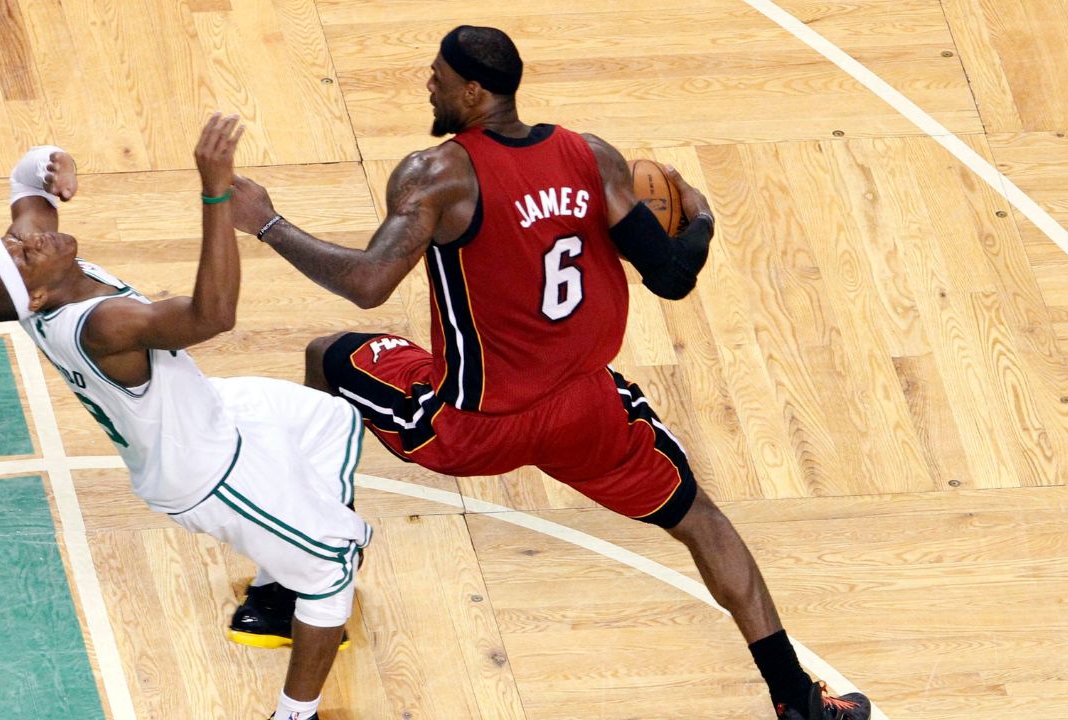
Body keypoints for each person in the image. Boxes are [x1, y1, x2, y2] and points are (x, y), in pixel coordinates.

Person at [228, 26, 873, 720]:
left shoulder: (436, 176)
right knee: (702, 522)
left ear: (474, 91)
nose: (428, 84)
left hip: (473, 424)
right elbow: (673, 276)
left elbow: (368, 283)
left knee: (327, 357)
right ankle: (798, 701)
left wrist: (268, 223)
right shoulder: (591, 158)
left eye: (438, 76)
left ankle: (292, 588)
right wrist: (704, 218)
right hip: (587, 413)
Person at [0, 113, 369, 720]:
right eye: (26, 255)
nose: (33, 239)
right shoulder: (102, 326)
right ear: (37, 298)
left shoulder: (40, 275)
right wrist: (215, 193)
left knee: (330, 421)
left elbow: (28, 187)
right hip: (208, 471)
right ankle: (296, 709)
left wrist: (49, 160)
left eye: (20, 241)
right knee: (334, 569)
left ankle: (284, 577)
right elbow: (214, 314)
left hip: (209, 412)